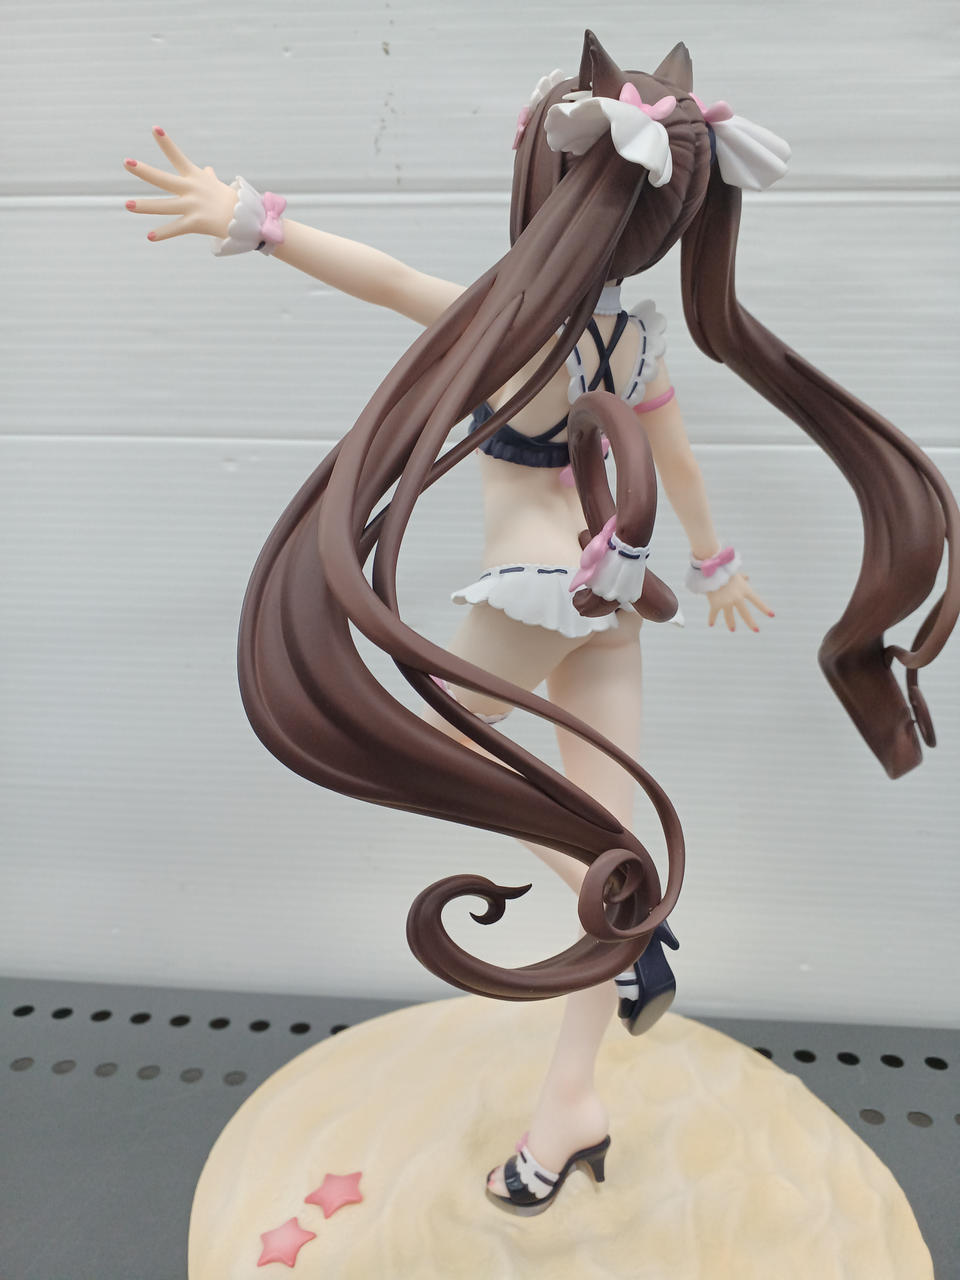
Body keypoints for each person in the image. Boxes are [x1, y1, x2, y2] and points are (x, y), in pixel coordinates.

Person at [125, 32, 958, 1214]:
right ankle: (572, 1097)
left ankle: (628, 918)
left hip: (537, 585)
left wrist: (254, 220)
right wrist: (714, 562)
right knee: (598, 821)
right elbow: (676, 458)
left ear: (545, 184)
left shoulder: (507, 323)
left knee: (433, 749)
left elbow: (381, 276)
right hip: (613, 600)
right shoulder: (638, 335)